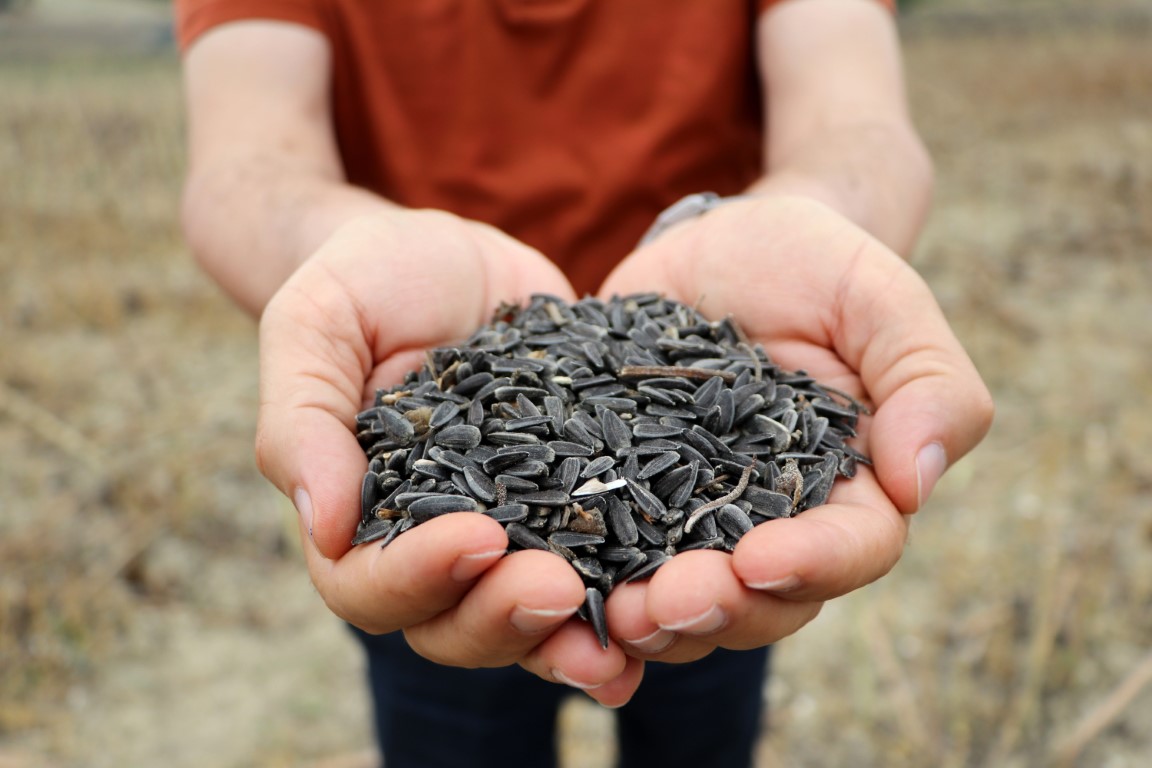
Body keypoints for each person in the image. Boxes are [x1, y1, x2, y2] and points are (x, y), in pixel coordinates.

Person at [175, 0, 994, 765]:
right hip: (444, 512)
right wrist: (350, 254)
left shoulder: (732, 446)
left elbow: (858, 129)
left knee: (702, 694)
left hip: (720, 533)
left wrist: (810, 217)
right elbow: (242, 169)